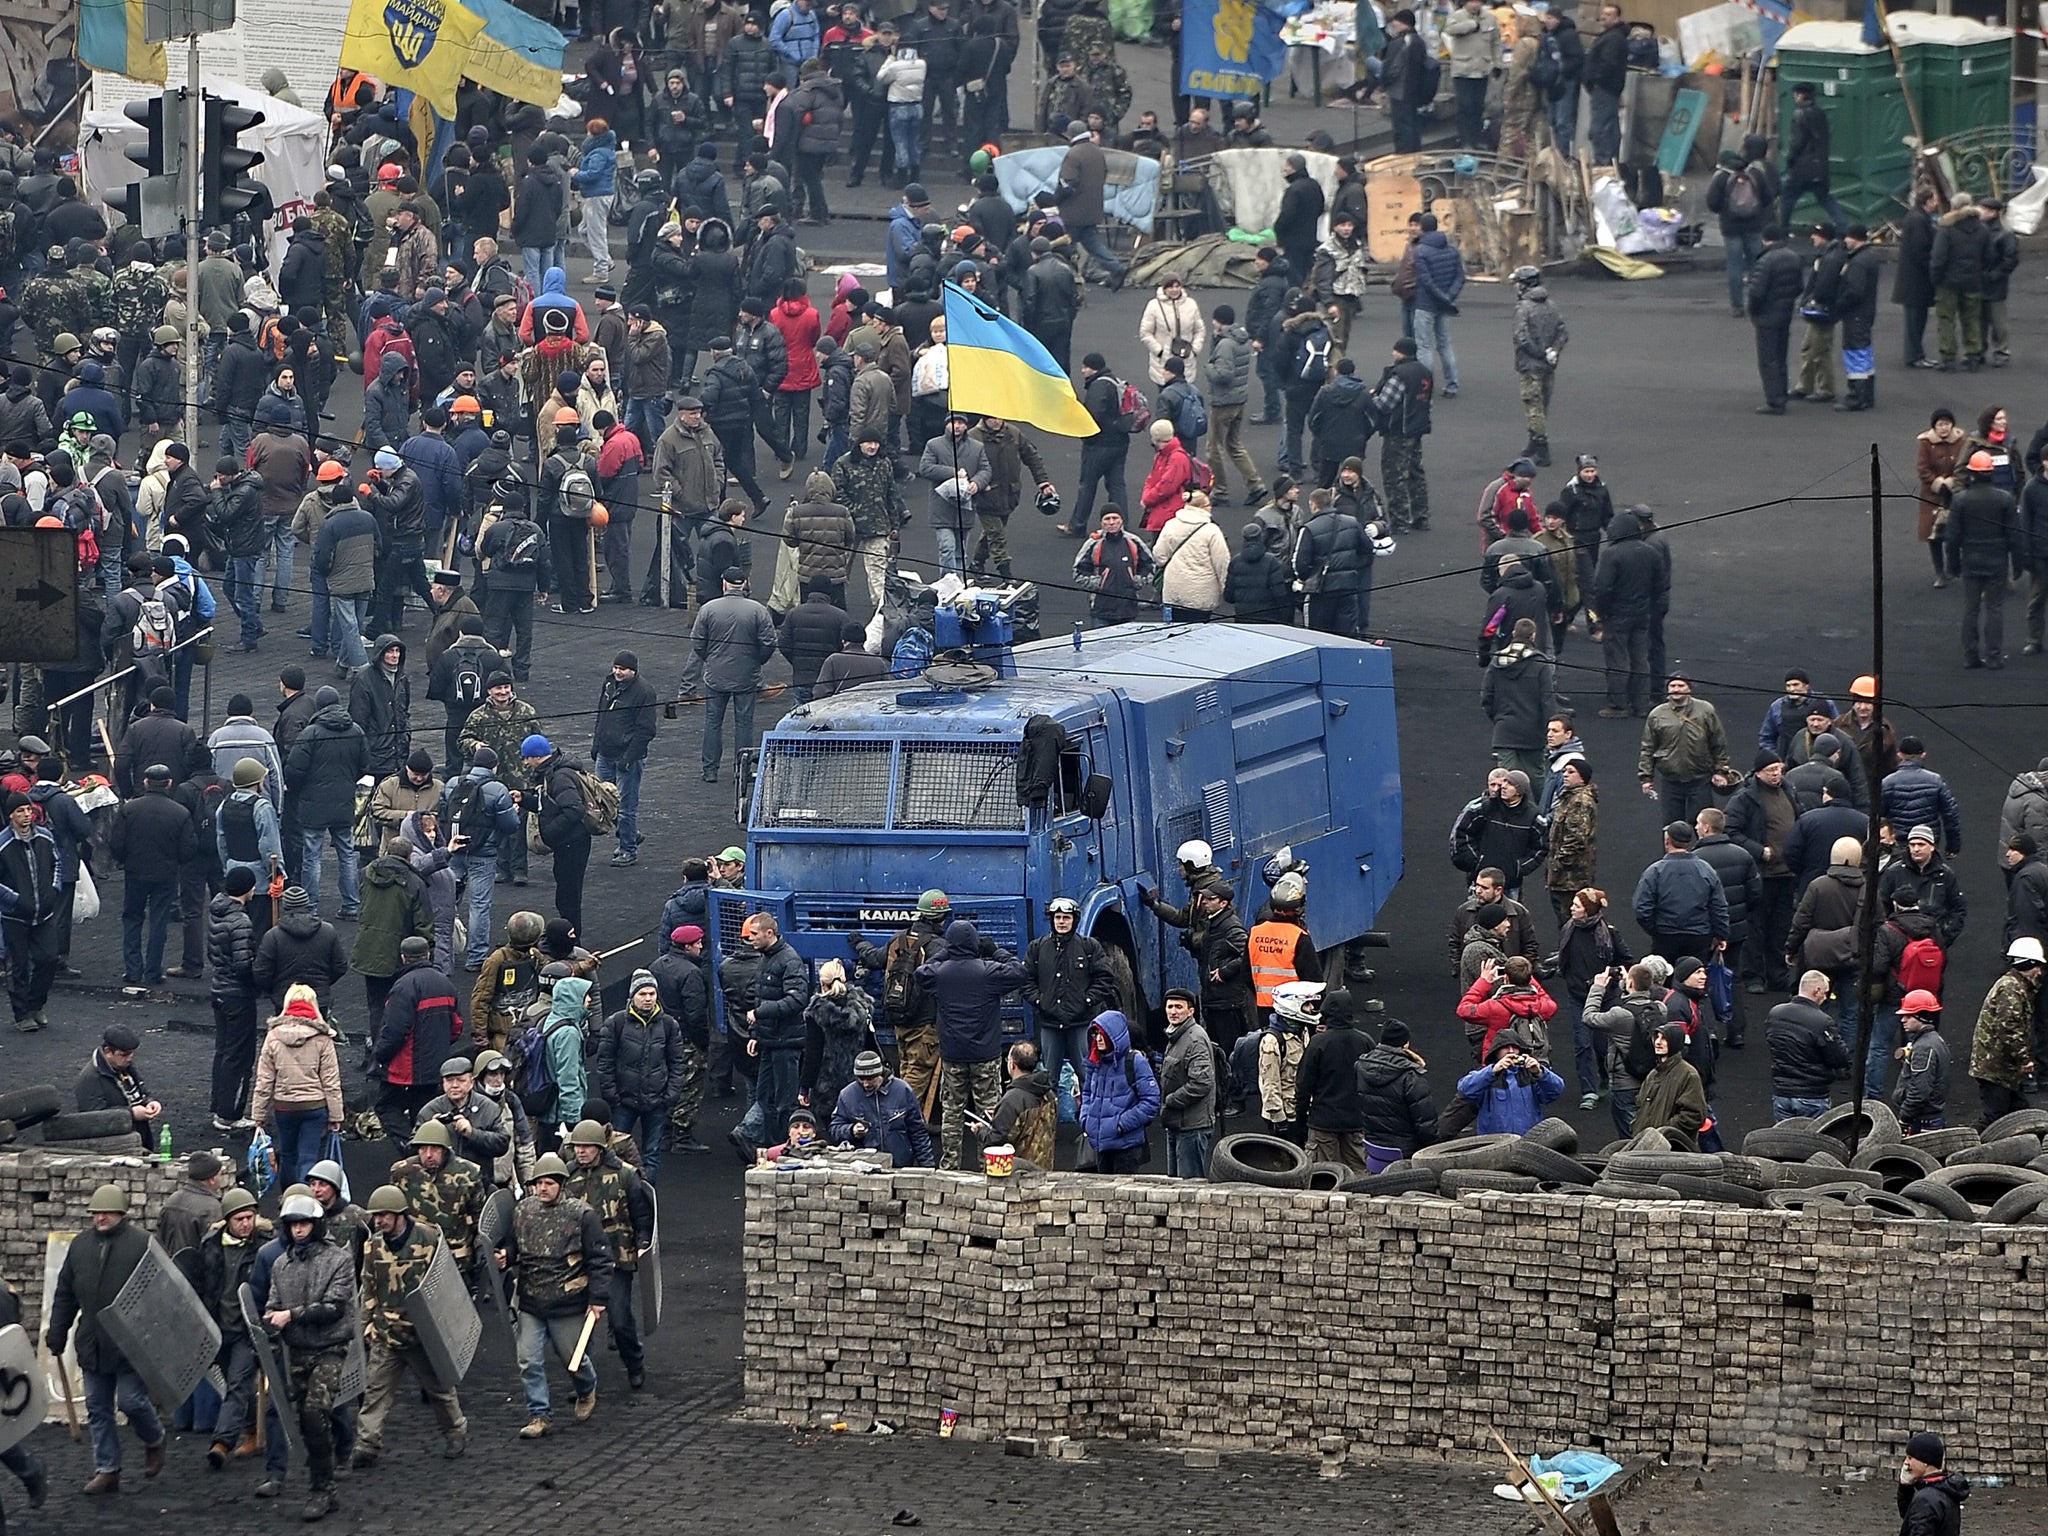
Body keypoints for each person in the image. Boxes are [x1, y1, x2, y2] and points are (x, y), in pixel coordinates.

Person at [45, 1184, 166, 1496]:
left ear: (120, 1213)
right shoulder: (80, 1246)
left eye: (107, 1212)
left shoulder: (142, 1244)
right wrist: (57, 1332)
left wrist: (153, 1332)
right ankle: (107, 1469)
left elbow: (160, 1291)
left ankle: (154, 1438)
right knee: (98, 1408)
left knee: (132, 1401)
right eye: (96, 1213)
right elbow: (65, 1293)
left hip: (131, 1342)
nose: (100, 1217)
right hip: (92, 1341)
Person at [350, 1184, 469, 1469]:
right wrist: (365, 1326)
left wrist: (444, 1330)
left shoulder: (428, 1239)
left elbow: (443, 1282)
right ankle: (366, 1444)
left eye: (384, 1216)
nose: (378, 1221)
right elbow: (369, 1288)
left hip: (422, 1334)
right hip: (387, 1334)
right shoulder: (372, 1246)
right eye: (376, 1216)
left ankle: (455, 1432)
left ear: (399, 1214)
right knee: (375, 1392)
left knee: (439, 1389)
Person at [495, 1152, 613, 1439]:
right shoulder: (523, 1211)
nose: (543, 1188)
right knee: (528, 1360)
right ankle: (539, 1414)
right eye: (539, 1183)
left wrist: (597, 1300)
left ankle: (587, 1389)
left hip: (567, 1301)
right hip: (531, 1300)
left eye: (549, 1183)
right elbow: (514, 1243)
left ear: (561, 1184)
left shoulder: (582, 1215)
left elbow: (600, 1259)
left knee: (574, 1359)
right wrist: (506, 1256)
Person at [263, 1190, 358, 1522]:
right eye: (293, 1225)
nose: (298, 1230)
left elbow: (334, 1307)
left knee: (316, 1411)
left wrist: (292, 1315)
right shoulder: (281, 1265)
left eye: (304, 1223)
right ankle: (325, 1483)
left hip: (330, 1347)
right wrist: (271, 1322)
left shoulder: (339, 1260)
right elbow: (272, 1305)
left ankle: (321, 1489)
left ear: (316, 1225)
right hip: (298, 1350)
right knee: (307, 1422)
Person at [560, 1119, 655, 1391]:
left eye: (587, 1147)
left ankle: (634, 1363)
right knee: (578, 1326)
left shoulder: (625, 1175)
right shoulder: (568, 1177)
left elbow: (641, 1212)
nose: (581, 1152)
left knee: (620, 1318)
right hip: (577, 1259)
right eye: (577, 1147)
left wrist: (643, 1240)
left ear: (600, 1148)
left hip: (616, 1255)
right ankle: (583, 1380)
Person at [689, 567, 778, 783]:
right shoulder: (757, 610)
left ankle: (710, 769)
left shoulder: (709, 609)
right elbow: (769, 642)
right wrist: (757, 661)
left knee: (713, 721)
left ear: (724, 584)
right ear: (745, 584)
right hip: (746, 675)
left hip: (716, 675)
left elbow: (697, 642)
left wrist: (711, 658)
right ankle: (743, 769)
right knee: (744, 723)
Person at [598, 970, 688, 1182]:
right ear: (632, 996)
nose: (648, 999)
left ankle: (648, 1201)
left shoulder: (668, 1025)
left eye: (651, 994)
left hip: (656, 1101)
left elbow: (677, 1062)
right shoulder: (615, 1023)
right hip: (623, 1101)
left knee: (652, 1155)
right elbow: (605, 1062)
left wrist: (671, 1095)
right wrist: (612, 1095)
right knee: (616, 1153)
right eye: (642, 994)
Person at [255, 984, 345, 1188]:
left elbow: (264, 1080)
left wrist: (258, 1115)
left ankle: (287, 1200)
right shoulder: (322, 1037)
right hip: (314, 1106)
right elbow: (331, 1082)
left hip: (284, 1106)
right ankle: (306, 1201)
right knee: (308, 1157)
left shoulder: (273, 1036)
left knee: (287, 1154)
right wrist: (336, 1116)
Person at [1944, 448, 2020, 669]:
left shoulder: (1961, 500)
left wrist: (1953, 566)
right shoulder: (2004, 499)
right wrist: (2018, 564)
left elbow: (1952, 538)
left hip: (1971, 560)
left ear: (1971, 473)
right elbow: (2014, 535)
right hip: (1996, 560)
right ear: (1992, 472)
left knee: (1971, 608)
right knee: (1995, 608)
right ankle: (1994, 656)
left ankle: (1971, 656)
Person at [1293, 988, 1376, 1172]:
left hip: (1323, 1121)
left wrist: (1299, 1123)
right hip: (1356, 1121)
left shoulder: (1318, 1043)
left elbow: (1303, 1086)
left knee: (1323, 1177)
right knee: (1359, 1176)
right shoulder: (1365, 1041)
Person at [1636, 670, 1734, 822]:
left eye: (1681, 685)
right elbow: (1648, 747)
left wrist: (1721, 771)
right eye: (1672, 685)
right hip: (1671, 780)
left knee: (1704, 823)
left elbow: (1718, 742)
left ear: (1689, 688)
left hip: (1700, 779)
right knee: (1671, 826)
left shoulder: (1705, 710)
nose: (1676, 689)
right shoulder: (1656, 714)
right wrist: (1646, 777)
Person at [591, 651, 657, 868]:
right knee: (603, 802)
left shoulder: (644, 692)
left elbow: (646, 730)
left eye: (623, 669)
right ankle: (631, 833)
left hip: (628, 757)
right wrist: (596, 744)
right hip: (605, 753)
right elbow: (601, 714)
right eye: (616, 667)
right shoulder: (609, 684)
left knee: (626, 806)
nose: (617, 672)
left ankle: (628, 849)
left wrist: (629, 757)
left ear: (633, 670)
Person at [1970, 936, 2043, 1125]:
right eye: (2038, 966)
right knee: (1994, 1119)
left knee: (2019, 1115)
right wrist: (2024, 1059)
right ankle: (1968, 1148)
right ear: (2030, 964)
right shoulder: (2011, 990)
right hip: (1995, 1068)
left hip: (1999, 1067)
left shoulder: (2014, 986)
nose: (2039, 972)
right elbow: (2008, 1028)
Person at [1078, 1008, 1158, 1173]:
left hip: (1126, 1146)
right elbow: (1087, 1093)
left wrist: (1121, 1125)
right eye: (1095, 1034)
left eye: (1102, 1034)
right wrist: (1085, 1119)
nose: (1098, 1039)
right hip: (1100, 1145)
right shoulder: (1095, 1062)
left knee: (1123, 1195)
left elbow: (1151, 1102)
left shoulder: (1135, 1061)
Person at [1764, 970, 1848, 1122]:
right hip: (1812, 1095)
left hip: (1782, 1092)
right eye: (1825, 992)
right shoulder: (1822, 1021)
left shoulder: (1775, 1013)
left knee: (1783, 1141)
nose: (1826, 997)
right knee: (1812, 1141)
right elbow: (1839, 1058)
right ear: (1817, 991)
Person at [830, 1049, 938, 1167]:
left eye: (870, 1079)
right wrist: (851, 1130)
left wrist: (928, 1166)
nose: (866, 1084)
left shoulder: (902, 1091)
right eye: (861, 1079)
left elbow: (918, 1132)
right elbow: (835, 1128)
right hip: (862, 1168)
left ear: (879, 1073)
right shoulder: (847, 1095)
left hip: (900, 1166)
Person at [1453, 1031, 1564, 1136]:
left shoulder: (1530, 1074)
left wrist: (1540, 1072)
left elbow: (1556, 1090)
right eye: (1505, 1047)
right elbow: (1464, 1089)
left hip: (1528, 1141)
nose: (1511, 1051)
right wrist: (1492, 1071)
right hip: (1495, 1143)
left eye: (1515, 1047)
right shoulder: (1486, 1075)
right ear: (1496, 1051)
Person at [1509, 266, 1566, 465]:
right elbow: (1562, 332)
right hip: (1549, 365)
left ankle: (1542, 448)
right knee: (1543, 405)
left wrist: (1540, 354)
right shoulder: (1551, 304)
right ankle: (1533, 442)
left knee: (1533, 406)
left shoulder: (1523, 308)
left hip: (1530, 365)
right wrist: (1553, 351)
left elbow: (1521, 338)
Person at [1157, 988, 1216, 1178]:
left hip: (1192, 1126)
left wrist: (1171, 1100)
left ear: (1191, 1011)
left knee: (1189, 1188)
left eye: (1179, 1007)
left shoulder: (1194, 1039)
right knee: (1174, 1185)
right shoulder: (1176, 1036)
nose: (1173, 1011)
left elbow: (1201, 1083)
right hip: (1177, 1122)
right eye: (1170, 1006)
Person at [1745, 226, 1803, 415]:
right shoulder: (1794, 257)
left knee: (1768, 359)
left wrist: (1753, 311)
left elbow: (1756, 292)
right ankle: (1782, 393)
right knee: (1780, 356)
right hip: (1785, 313)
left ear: (1765, 239)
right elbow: (1799, 287)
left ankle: (1774, 400)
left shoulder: (1765, 260)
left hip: (1767, 315)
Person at [1930, 192, 1989, 372]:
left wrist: (1936, 279)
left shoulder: (1946, 229)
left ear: (1954, 207)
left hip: (1948, 282)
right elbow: (1988, 257)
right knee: (1972, 319)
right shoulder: (1982, 229)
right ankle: (1973, 354)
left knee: (1946, 319)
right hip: (1973, 281)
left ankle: (1948, 357)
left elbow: (1938, 259)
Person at [1778, 82, 1846, 231]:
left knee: (1788, 198)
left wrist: (1790, 159)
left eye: (1796, 94)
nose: (1795, 97)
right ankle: (1843, 227)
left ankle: (1782, 231)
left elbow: (1798, 141)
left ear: (1801, 95)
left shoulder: (1799, 114)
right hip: (1820, 167)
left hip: (1802, 167)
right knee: (1825, 198)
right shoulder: (1820, 113)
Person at [1410, 213, 1463, 398]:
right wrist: (1448, 297)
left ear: (1422, 228)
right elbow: (1460, 277)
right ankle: (1452, 383)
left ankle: (1425, 387)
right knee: (1445, 345)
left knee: (1424, 346)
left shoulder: (1421, 250)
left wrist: (1440, 297)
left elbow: (1426, 281)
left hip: (1426, 303)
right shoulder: (1452, 249)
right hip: (1444, 304)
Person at [1633, 1022, 1707, 1150]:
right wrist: (1636, 1126)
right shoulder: (1653, 1074)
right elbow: (1640, 1106)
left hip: (1673, 1151)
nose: (1658, 1042)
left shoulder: (1688, 1074)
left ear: (1675, 1042)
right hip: (1647, 1147)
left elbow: (1694, 1116)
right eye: (1657, 1037)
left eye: (1664, 1038)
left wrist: (1664, 1132)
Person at [987, 1040, 1056, 1169]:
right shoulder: (1049, 1093)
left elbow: (996, 1141)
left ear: (1012, 1065)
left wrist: (981, 1131)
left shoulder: (1011, 1100)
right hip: (1044, 1167)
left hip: (1019, 1171)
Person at [1892, 991, 1949, 1134]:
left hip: (1921, 1121)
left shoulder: (1924, 1048)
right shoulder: (1935, 1040)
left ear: (1922, 1016)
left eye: (1909, 1015)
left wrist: (1904, 1117)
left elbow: (1919, 1091)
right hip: (1930, 1117)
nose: (1903, 1020)